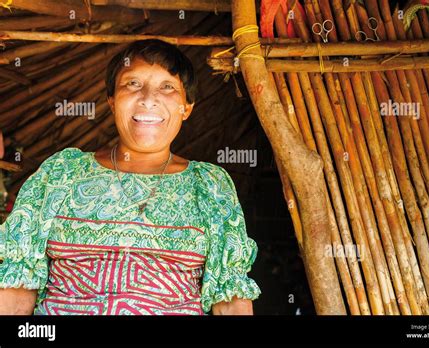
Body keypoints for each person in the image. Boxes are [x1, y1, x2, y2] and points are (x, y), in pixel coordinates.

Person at [0, 40, 261, 315]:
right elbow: (15, 288)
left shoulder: (209, 186)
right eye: (133, 84)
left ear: (187, 107)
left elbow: (230, 300)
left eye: (167, 86)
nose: (148, 98)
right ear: (112, 101)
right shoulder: (62, 173)